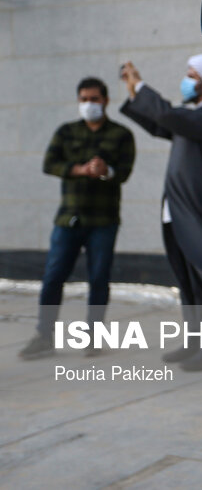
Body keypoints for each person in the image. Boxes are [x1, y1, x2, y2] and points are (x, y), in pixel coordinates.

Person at [120, 55, 202, 371]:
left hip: (197, 210)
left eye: (191, 75)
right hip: (176, 210)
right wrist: (134, 94)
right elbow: (159, 123)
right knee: (187, 279)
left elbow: (166, 114)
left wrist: (140, 85)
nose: (186, 80)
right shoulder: (189, 119)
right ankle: (195, 341)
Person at [19, 77, 135, 360]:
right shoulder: (66, 131)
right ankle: (44, 336)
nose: (89, 104)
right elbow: (49, 163)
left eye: (94, 99)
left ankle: (94, 338)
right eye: (84, 99)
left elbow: (124, 172)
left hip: (103, 220)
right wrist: (79, 169)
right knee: (53, 277)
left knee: (98, 278)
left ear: (105, 101)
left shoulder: (121, 134)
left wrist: (105, 170)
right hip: (68, 218)